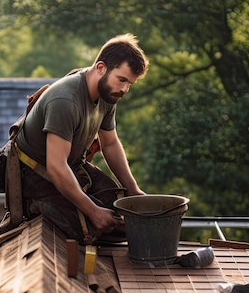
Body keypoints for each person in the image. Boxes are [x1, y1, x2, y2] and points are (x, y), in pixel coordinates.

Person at [16, 33, 149, 244]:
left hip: (71, 165)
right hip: (35, 174)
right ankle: (36, 205)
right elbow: (56, 167)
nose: (124, 89)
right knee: (98, 230)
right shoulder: (65, 101)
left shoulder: (108, 93)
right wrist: (93, 211)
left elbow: (111, 144)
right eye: (121, 80)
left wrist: (133, 189)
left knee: (124, 216)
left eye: (129, 84)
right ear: (101, 68)